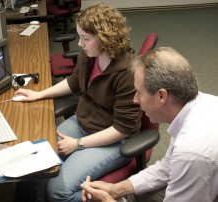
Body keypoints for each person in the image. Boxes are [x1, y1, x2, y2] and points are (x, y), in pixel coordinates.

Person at [14, 2, 142, 201]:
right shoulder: (90, 54)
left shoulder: (128, 73)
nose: (80, 44)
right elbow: (73, 83)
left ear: (105, 39)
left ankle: (110, 199)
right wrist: (39, 94)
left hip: (114, 138)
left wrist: (78, 144)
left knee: (57, 191)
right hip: (83, 122)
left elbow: (123, 128)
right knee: (33, 161)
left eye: (85, 38)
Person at [81, 47, 218, 202]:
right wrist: (115, 189)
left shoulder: (191, 152)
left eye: (139, 92)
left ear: (161, 96)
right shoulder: (199, 103)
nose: (135, 99)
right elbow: (168, 166)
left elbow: (183, 159)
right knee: (139, 193)